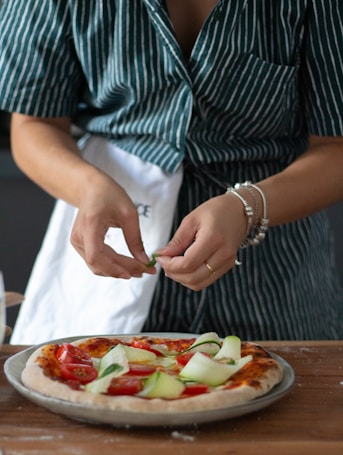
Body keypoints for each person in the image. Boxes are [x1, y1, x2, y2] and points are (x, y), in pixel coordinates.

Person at [0, 0, 342, 343]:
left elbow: (336, 147)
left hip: (276, 273)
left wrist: (248, 207)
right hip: (113, 259)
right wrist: (87, 187)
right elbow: (34, 123)